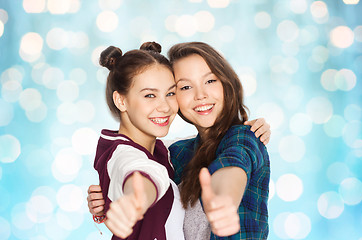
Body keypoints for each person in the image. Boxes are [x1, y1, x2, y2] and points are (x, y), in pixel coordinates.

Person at [88, 42, 271, 239]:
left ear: (227, 82)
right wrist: (117, 200)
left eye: (210, 81)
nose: (201, 95)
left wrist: (224, 200)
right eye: (185, 87)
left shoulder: (243, 138)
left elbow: (233, 166)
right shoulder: (176, 152)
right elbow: (138, 171)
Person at [94, 42, 185, 240]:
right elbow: (138, 173)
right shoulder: (123, 155)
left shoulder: (159, 149)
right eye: (150, 95)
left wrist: (243, 130)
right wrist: (134, 201)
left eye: (170, 93)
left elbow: (199, 141)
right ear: (121, 101)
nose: (165, 107)